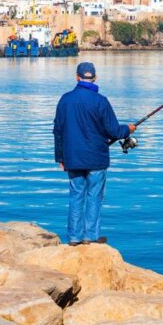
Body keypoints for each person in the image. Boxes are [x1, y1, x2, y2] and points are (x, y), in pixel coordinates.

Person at [53, 61, 135, 246]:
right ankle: (91, 236)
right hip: (96, 158)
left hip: (72, 158)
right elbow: (114, 131)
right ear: (95, 78)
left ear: (77, 77)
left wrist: (60, 157)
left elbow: (58, 131)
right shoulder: (101, 101)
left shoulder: (65, 100)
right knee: (94, 197)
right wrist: (128, 129)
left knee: (76, 196)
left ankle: (74, 238)